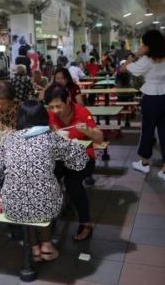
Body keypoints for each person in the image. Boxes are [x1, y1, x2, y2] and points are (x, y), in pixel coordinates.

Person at [0, 100, 89, 260]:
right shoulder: (51, 138)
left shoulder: (8, 139)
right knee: (44, 194)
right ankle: (46, 246)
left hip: (13, 206)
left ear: (20, 119)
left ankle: (34, 247)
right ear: (44, 118)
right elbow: (80, 160)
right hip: (46, 205)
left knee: (28, 197)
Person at [44, 84, 103, 241]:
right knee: (46, 179)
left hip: (84, 156)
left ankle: (85, 223)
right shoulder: (49, 114)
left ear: (68, 100)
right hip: (59, 158)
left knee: (72, 184)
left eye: (58, 106)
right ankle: (48, 218)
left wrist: (88, 131)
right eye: (51, 107)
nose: (55, 110)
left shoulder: (82, 112)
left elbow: (100, 138)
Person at [120, 29, 165, 182]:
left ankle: (144, 163)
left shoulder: (146, 61)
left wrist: (135, 55)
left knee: (148, 131)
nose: (142, 46)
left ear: (149, 45)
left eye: (144, 44)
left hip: (151, 98)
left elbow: (123, 68)